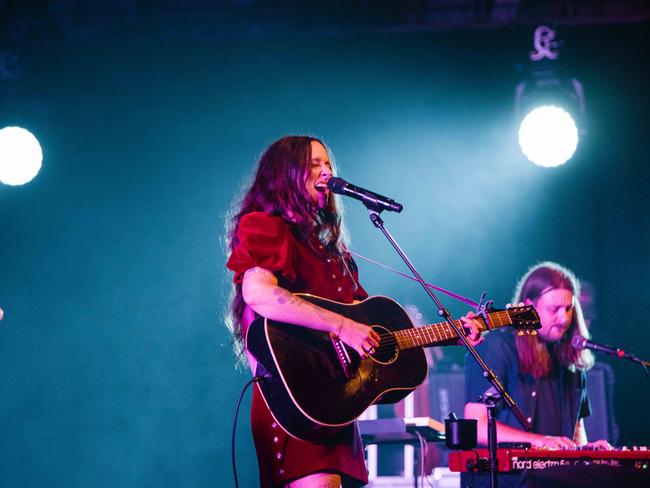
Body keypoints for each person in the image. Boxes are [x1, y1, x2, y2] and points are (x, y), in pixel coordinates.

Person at [226, 135, 483, 487]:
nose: (326, 171)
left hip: (334, 405)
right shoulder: (265, 226)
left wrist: (453, 335)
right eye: (313, 164)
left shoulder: (333, 253)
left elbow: (370, 332)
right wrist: (344, 327)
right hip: (294, 400)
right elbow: (259, 295)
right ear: (284, 175)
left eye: (328, 164)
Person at [464, 262, 612, 451]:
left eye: (568, 308)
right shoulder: (497, 347)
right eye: (554, 309)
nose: (564, 318)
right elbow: (477, 426)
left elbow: (576, 431)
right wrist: (538, 440)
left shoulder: (570, 356)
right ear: (528, 306)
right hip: (508, 478)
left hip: (556, 478)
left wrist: (586, 451)